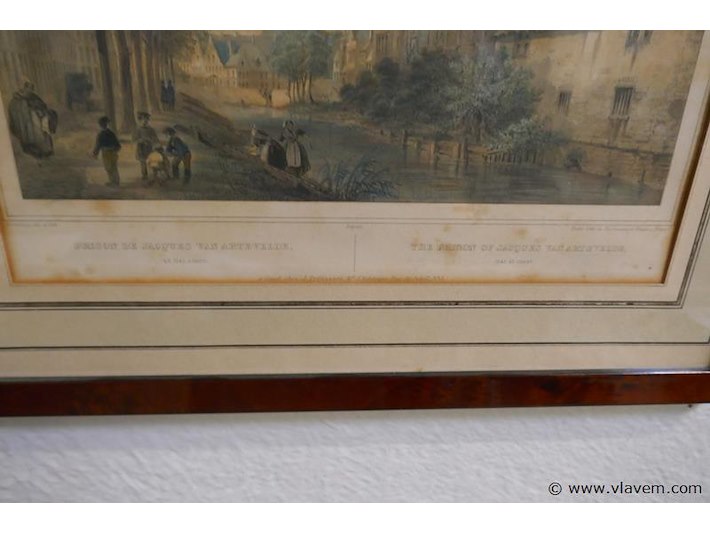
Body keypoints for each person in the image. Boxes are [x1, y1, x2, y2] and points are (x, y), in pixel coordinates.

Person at [7, 81, 57, 159]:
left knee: (40, 134)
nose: (30, 90)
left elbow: (41, 105)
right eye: (29, 88)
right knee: (30, 137)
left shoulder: (33, 97)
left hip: (35, 122)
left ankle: (44, 152)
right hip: (27, 123)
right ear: (25, 87)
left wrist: (41, 112)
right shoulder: (16, 100)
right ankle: (37, 152)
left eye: (31, 88)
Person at [92, 116, 121, 186]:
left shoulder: (100, 134)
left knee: (109, 167)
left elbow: (98, 145)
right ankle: (116, 181)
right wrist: (116, 149)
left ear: (100, 125)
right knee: (113, 166)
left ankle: (113, 181)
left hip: (106, 153)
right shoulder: (111, 133)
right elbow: (117, 144)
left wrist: (95, 153)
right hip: (113, 152)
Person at [133, 112, 159, 181]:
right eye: (143, 119)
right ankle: (144, 175)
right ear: (140, 120)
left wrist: (151, 141)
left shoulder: (151, 129)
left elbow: (155, 138)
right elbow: (134, 139)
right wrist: (141, 140)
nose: (145, 121)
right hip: (141, 148)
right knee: (143, 162)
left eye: (146, 119)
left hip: (149, 148)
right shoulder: (137, 129)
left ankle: (155, 174)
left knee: (152, 161)